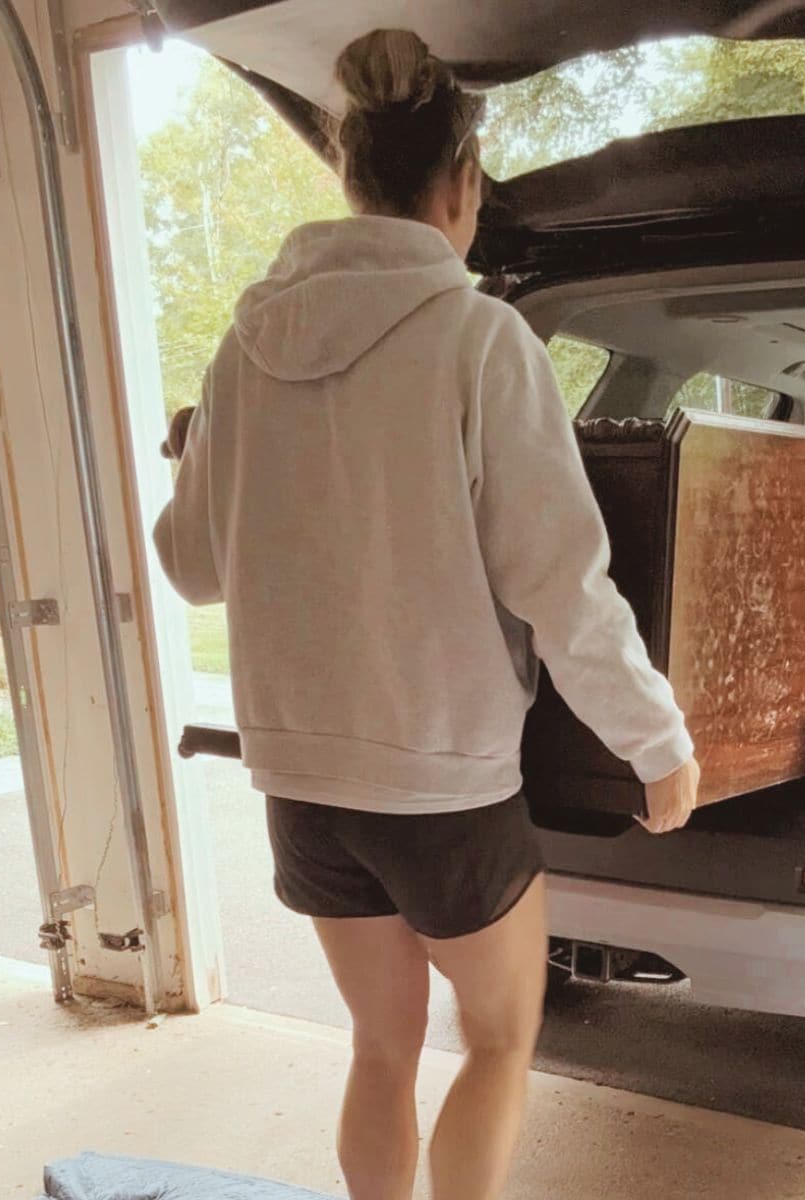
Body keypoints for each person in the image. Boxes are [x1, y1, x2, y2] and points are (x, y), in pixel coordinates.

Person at [154, 28, 700, 1200]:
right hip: (443, 787)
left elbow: (194, 569)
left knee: (380, 1048)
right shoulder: (479, 340)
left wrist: (192, 461)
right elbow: (560, 581)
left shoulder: (241, 355)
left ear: (348, 174)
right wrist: (658, 745)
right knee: (500, 1041)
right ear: (461, 188)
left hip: (300, 783)